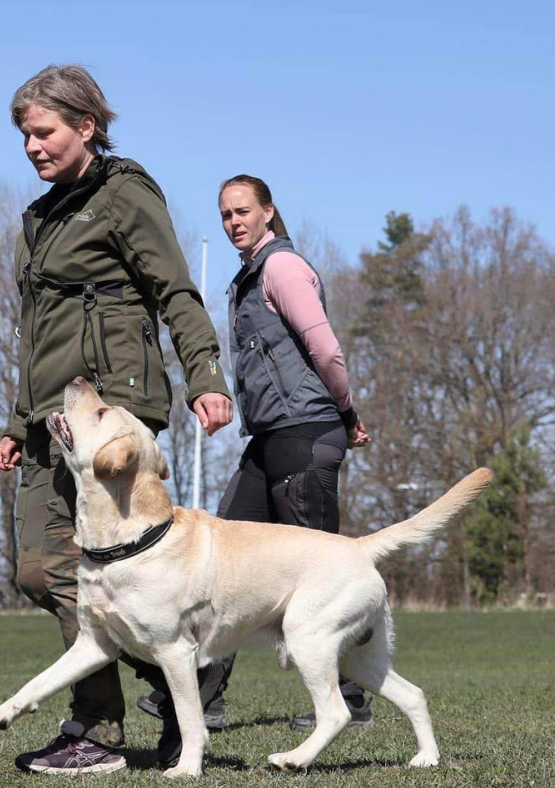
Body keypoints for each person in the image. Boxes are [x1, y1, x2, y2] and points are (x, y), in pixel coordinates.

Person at [0, 64, 233, 775]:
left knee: (128, 571)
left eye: (44, 132)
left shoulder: (123, 193)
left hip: (113, 414)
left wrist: (206, 376)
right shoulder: (38, 219)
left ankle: (95, 731)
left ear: (86, 126)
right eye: (25, 136)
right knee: (41, 572)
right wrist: (16, 421)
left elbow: (175, 291)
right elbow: (36, 332)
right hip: (50, 421)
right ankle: (173, 671)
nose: (32, 147)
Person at [137, 174, 373, 747]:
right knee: (223, 565)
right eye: (225, 215)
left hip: (307, 432)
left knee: (322, 570)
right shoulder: (247, 277)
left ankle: (354, 696)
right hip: (268, 438)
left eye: (243, 211)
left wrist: (345, 411)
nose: (233, 222)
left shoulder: (283, 268)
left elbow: (325, 348)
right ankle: (205, 697)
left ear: (269, 212)